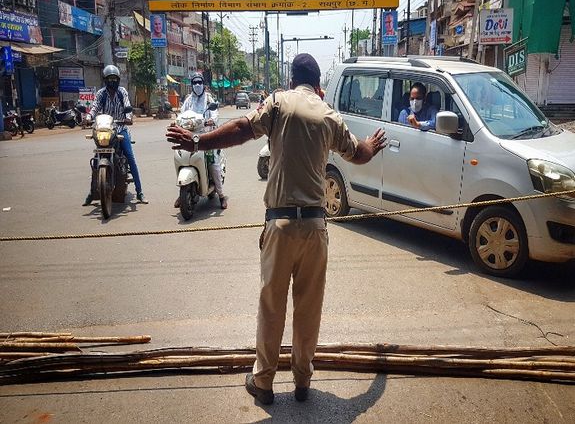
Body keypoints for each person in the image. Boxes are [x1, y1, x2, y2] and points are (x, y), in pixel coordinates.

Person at [166, 53, 386, 405]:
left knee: (272, 305)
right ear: (318, 85)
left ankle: (264, 383)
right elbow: (358, 153)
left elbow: (240, 129)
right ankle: (302, 381)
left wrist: (196, 143)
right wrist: (372, 147)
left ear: (291, 80)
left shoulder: (278, 102)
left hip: (280, 225)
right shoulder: (329, 115)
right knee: (308, 307)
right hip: (315, 227)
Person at [83, 65, 148, 205]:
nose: (112, 81)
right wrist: (89, 117)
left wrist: (129, 117)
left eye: (114, 79)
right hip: (104, 129)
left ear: (118, 80)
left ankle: (140, 192)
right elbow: (94, 108)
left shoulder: (122, 92)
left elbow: (127, 104)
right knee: (96, 158)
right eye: (109, 79)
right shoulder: (101, 93)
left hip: (120, 127)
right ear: (105, 80)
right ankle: (91, 192)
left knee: (130, 156)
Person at [174, 71, 227, 210]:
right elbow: (181, 114)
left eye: (199, 82)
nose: (197, 85)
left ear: (203, 84)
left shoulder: (209, 99)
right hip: (190, 136)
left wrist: (211, 121)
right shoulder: (188, 100)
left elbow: (215, 114)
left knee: (214, 165)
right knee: (180, 158)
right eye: (194, 83)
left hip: (207, 136)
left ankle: (221, 195)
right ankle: (182, 191)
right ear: (191, 85)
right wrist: (176, 122)